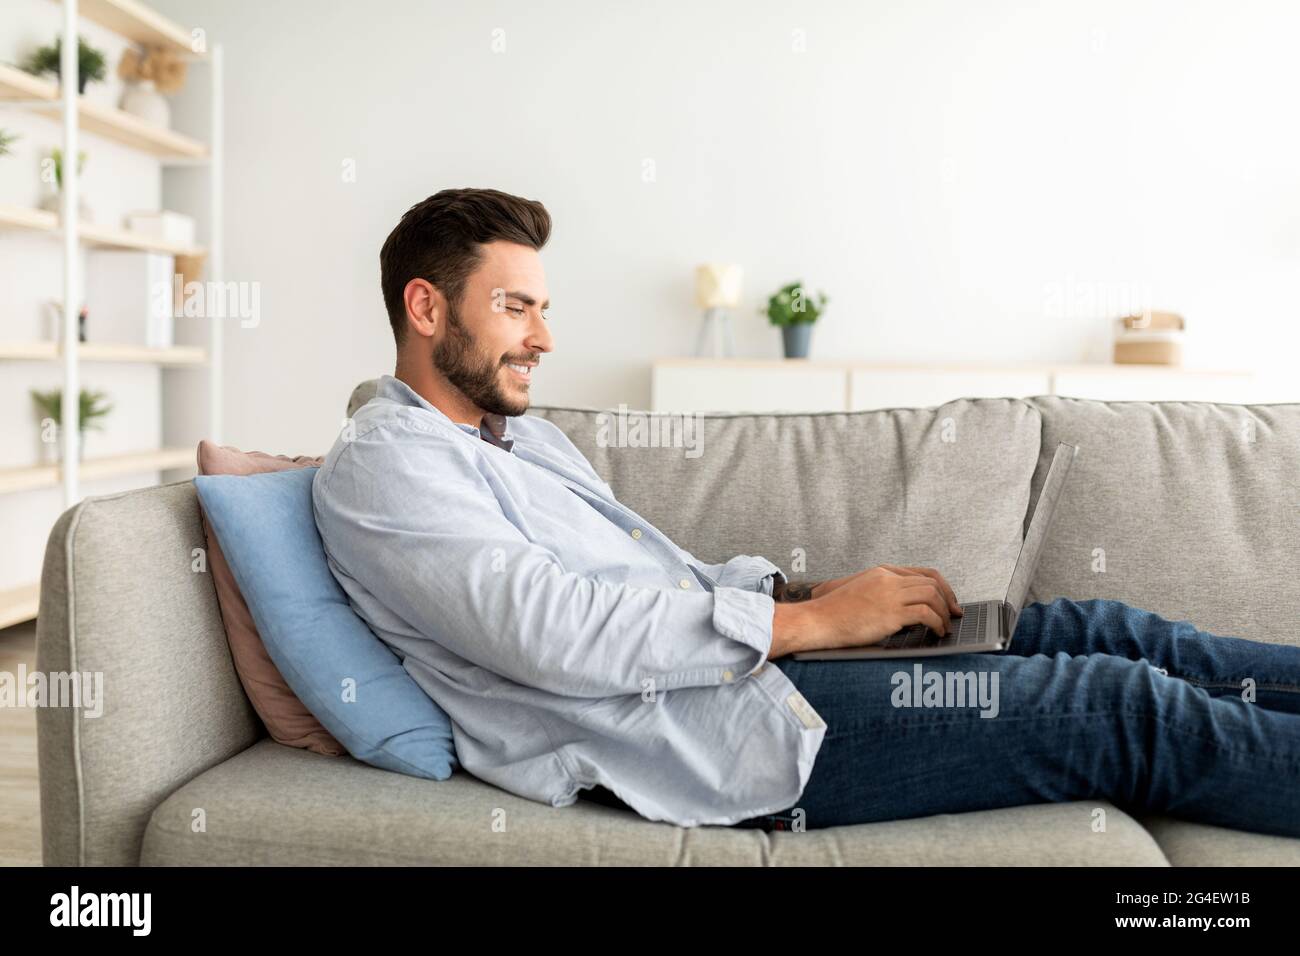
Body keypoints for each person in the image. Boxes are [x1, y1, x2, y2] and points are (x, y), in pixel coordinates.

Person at [312, 187, 1300, 837]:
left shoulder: (515, 438)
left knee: (1109, 629)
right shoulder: (385, 464)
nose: (545, 336)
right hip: (729, 730)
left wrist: (802, 594)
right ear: (427, 308)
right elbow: (552, 631)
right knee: (1121, 706)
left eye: (542, 307)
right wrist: (811, 624)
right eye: (516, 307)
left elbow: (653, 585)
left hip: (757, 666)